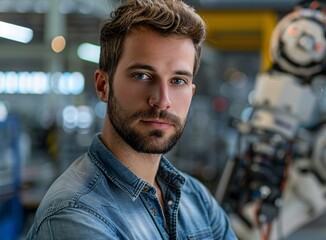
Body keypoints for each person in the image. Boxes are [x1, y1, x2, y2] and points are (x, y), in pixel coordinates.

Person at [26, 0, 237, 239]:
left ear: (191, 93)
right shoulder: (75, 214)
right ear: (103, 85)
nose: (162, 100)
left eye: (178, 80)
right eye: (142, 75)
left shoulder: (197, 199)